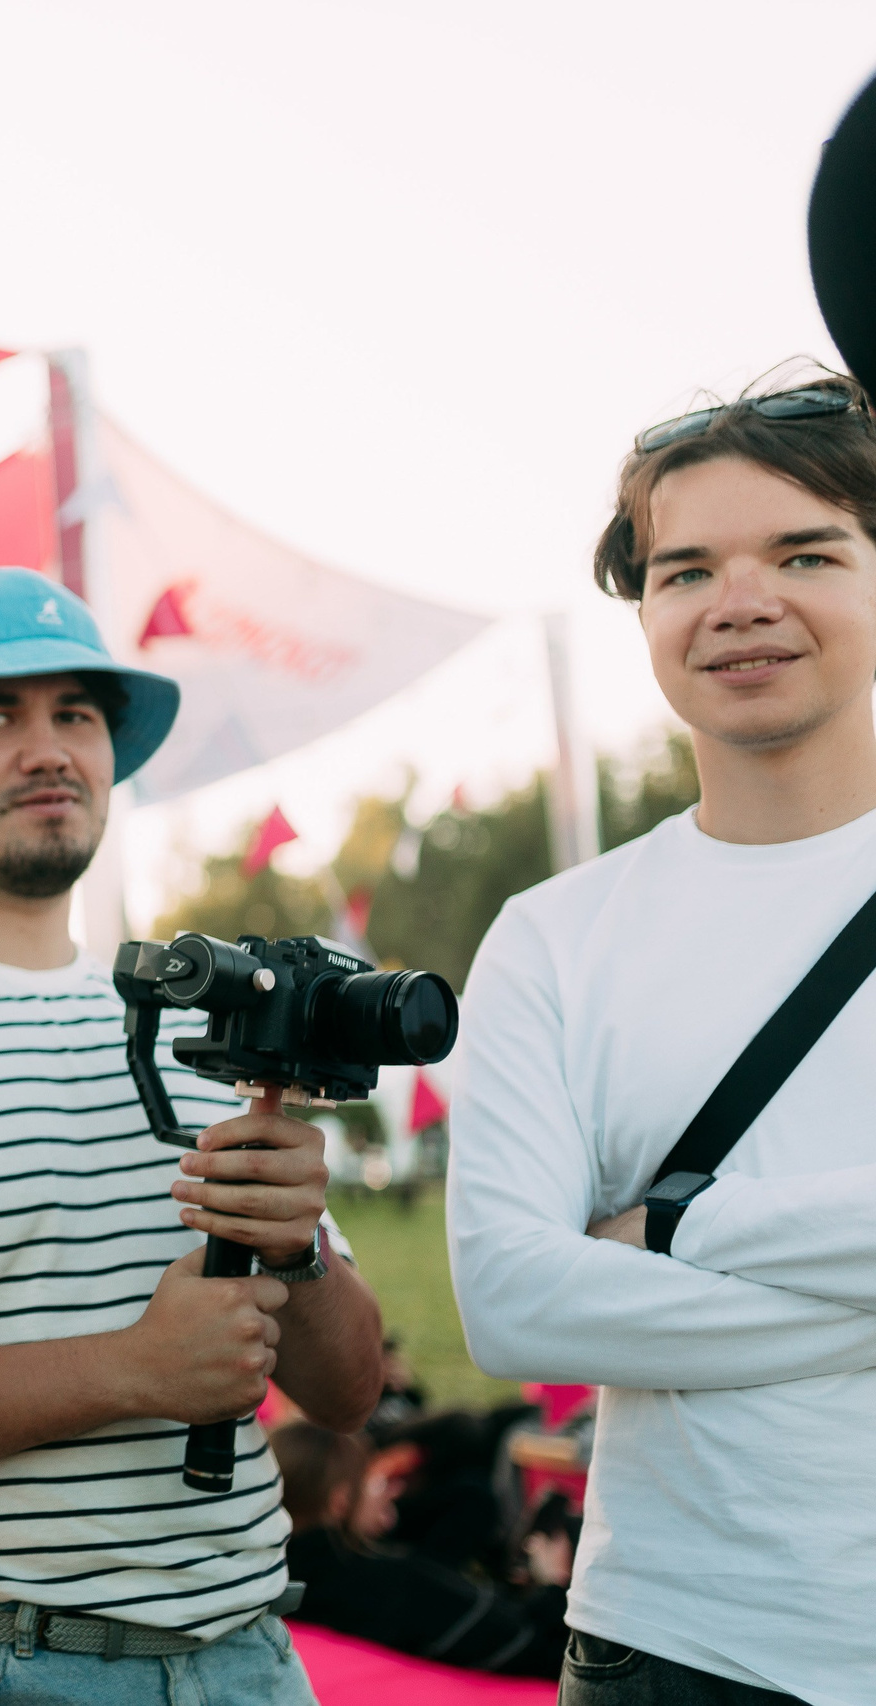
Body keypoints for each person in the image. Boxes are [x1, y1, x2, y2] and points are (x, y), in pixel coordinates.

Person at [0, 567, 384, 1704]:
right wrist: (130, 1369)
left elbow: (348, 1392)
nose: (47, 747)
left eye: (75, 714)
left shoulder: (211, 1017)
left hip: (252, 1650)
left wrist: (300, 1249)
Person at [448, 371, 876, 1704]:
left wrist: (677, 1230)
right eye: (687, 569)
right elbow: (511, 1300)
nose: (741, 599)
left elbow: (576, 1273)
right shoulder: (553, 933)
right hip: (680, 1645)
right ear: (646, 610)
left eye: (806, 552)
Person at [273, 1422, 571, 1678]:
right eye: (370, 1478)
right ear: (339, 1502)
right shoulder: (396, 1585)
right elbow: (530, 1647)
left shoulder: (266, 1586)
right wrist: (553, 1583)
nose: (386, 1488)